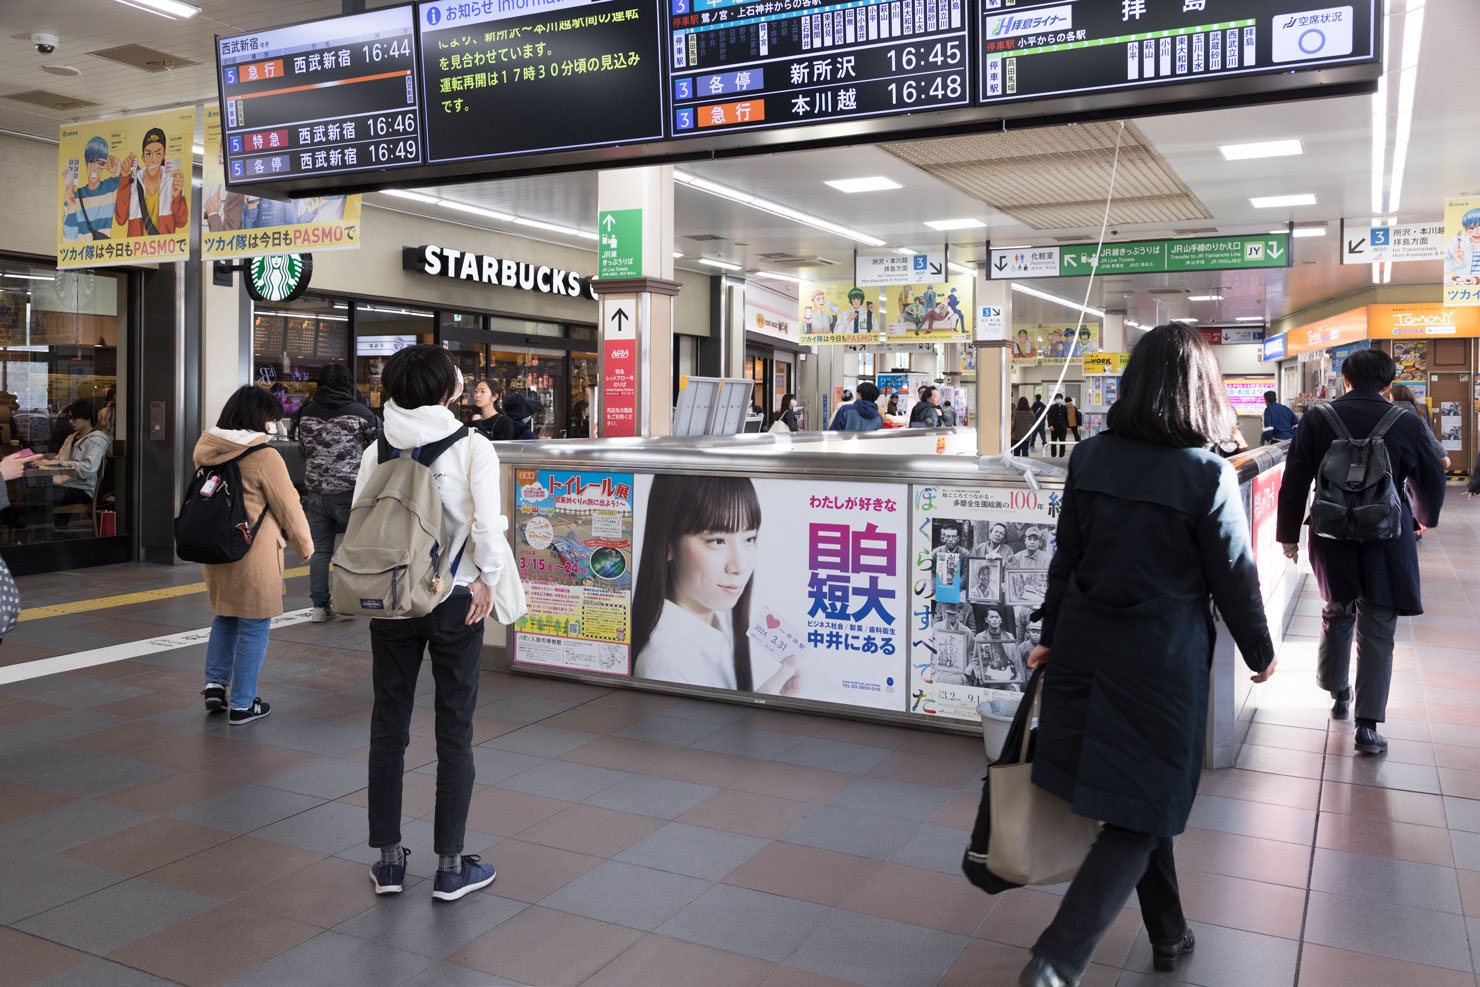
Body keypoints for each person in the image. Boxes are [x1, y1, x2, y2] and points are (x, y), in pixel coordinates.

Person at [1019, 324, 1276, 987]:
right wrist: (1261, 650)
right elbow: (1235, 577)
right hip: (1160, 662)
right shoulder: (1205, 473)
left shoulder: (1092, 456)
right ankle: (1056, 959)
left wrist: (1050, 632)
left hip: (1086, 648)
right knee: (1144, 805)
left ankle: (1170, 934)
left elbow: (1067, 557)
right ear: (1202, 391)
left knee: (1141, 795)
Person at [358, 345, 505, 902]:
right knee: (454, 727)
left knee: (388, 723)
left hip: (392, 599)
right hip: (454, 598)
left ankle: (390, 863)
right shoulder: (472, 447)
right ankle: (450, 867)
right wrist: (487, 578)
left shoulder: (377, 447)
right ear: (448, 390)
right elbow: (487, 525)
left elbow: (361, 521)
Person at [1276, 347, 1445, 755]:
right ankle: (1367, 727)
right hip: (1387, 535)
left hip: (1331, 534)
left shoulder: (1318, 417)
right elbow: (1430, 475)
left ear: (1345, 380)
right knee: (1378, 626)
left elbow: (1295, 478)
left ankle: (1337, 693)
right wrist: (1424, 515)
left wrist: (1288, 535)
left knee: (1337, 609)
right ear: (1388, 384)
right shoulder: (1406, 420)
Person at [194, 386, 314, 726]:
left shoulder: (207, 449)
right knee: (254, 625)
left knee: (225, 615)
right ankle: (244, 703)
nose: (275, 424)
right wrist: (305, 546)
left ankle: (215, 685)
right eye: (273, 418)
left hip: (216, 548)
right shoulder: (264, 456)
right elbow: (288, 505)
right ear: (259, 418)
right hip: (252, 553)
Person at [632, 475, 802, 695]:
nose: (739, 566)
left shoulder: (713, 625)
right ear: (667, 545)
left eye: (749, 538)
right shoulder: (666, 664)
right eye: (717, 541)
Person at [289, 364, 379, 622]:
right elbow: (379, 448)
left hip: (316, 490)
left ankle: (319, 607)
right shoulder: (360, 413)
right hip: (351, 492)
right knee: (352, 548)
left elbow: (303, 449)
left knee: (320, 551)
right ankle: (347, 602)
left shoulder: (306, 413)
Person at [35, 401, 111, 512]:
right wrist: (44, 461)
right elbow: (60, 458)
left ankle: (57, 525)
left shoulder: (97, 440)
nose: (70, 422)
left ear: (88, 418)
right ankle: (57, 524)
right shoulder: (71, 437)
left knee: (37, 500)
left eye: (74, 418)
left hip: (83, 488)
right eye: (69, 418)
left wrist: (59, 463)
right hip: (66, 484)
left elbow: (87, 470)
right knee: (34, 497)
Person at [114, 127, 187, 237]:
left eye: (158, 153)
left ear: (163, 155)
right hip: (136, 251)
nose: (153, 159)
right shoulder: (132, 183)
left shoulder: (172, 183)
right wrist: (124, 179)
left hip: (165, 251)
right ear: (143, 157)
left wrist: (177, 197)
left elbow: (182, 222)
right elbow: (120, 219)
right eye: (148, 154)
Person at [62, 136, 120, 242]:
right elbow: (68, 240)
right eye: (91, 161)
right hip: (82, 255)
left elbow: (136, 181)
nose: (95, 167)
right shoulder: (74, 197)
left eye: (100, 163)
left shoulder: (111, 187)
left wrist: (117, 169)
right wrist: (71, 206)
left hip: (105, 253)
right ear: (86, 162)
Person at [1390, 384, 1448, 468]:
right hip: (1413, 458)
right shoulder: (1415, 413)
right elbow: (1429, 436)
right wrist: (1443, 455)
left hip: (1391, 458)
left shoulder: (1388, 411)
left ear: (1393, 397)